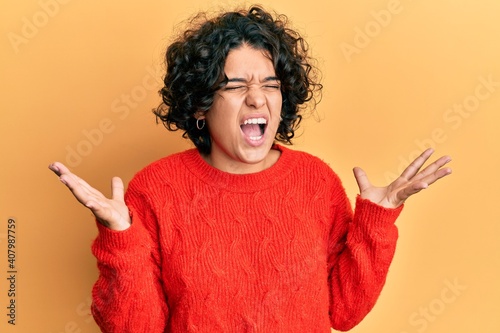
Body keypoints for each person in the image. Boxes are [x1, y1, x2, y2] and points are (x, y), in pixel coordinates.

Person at [49, 5, 452, 333]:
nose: (258, 99)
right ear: (200, 105)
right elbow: (137, 328)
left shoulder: (316, 182)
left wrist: (375, 225)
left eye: (271, 85)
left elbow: (343, 314)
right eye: (236, 85)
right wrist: (120, 240)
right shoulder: (154, 189)